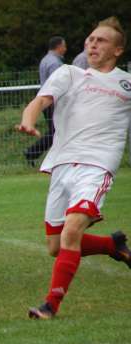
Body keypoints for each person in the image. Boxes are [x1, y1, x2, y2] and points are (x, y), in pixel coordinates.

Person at [16, 17, 131, 320]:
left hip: (97, 167)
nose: (93, 44)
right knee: (56, 246)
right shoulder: (69, 74)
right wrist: (28, 120)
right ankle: (112, 245)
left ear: (118, 50)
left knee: (71, 232)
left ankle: (50, 306)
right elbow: (39, 101)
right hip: (62, 165)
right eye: (91, 39)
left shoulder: (126, 84)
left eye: (101, 40)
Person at [24, 36, 67, 166]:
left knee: (55, 132)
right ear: (58, 46)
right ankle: (35, 153)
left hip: (46, 100)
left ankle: (33, 152)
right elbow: (58, 84)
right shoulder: (55, 63)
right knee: (58, 132)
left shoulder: (45, 60)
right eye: (64, 46)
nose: (65, 48)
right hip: (52, 101)